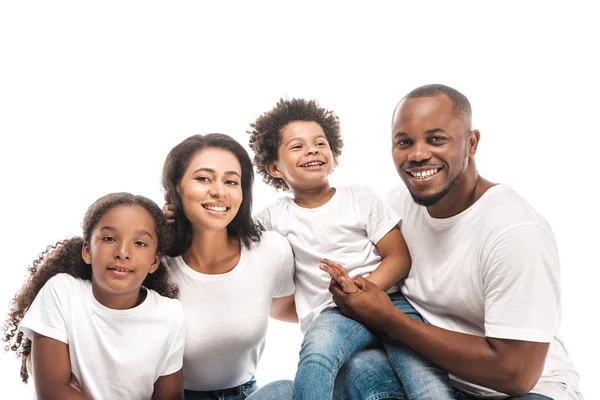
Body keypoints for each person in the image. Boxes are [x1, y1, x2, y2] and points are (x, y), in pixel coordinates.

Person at [330, 84, 584, 399]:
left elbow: (517, 374)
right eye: (404, 142)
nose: (418, 154)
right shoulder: (391, 211)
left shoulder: (515, 232)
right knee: (353, 370)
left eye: (436, 139)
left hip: (524, 390)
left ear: (471, 143)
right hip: (435, 380)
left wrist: (388, 319)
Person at [248, 98, 455, 400]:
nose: (312, 150)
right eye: (297, 146)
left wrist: (361, 290)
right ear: (274, 168)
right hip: (332, 312)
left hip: (387, 300)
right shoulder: (273, 217)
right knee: (316, 358)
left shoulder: (359, 197)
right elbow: (231, 241)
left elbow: (398, 256)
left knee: (425, 375)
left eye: (320, 143)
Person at [3, 192, 186, 400]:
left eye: (140, 243)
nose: (123, 252)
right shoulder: (62, 292)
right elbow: (52, 392)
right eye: (109, 238)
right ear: (87, 251)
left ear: (154, 262)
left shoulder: (170, 314)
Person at [161, 133, 296, 400]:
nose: (219, 191)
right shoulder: (153, 262)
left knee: (284, 391)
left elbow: (288, 308)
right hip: (173, 396)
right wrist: (146, 233)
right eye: (203, 178)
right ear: (177, 186)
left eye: (231, 181)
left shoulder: (271, 251)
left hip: (245, 394)